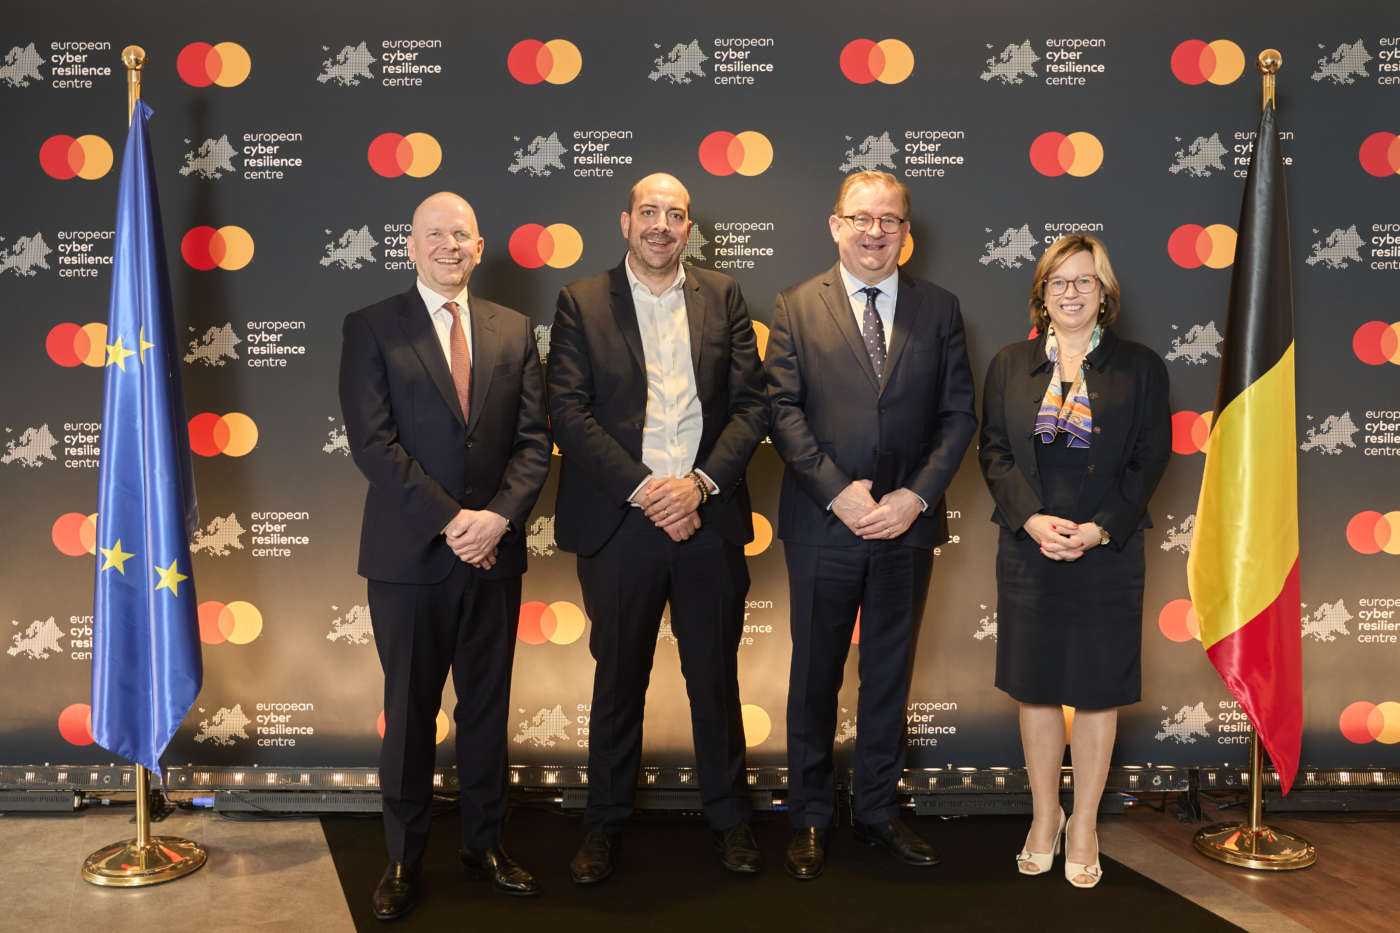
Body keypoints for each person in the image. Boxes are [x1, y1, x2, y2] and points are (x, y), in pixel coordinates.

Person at [547, 172, 769, 883]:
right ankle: (604, 823)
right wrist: (648, 491)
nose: (661, 225)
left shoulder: (723, 295)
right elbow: (568, 413)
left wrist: (697, 486)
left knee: (715, 679)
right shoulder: (582, 300)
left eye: (675, 215)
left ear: (688, 228)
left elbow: (752, 406)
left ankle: (730, 821)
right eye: (649, 211)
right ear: (626, 221)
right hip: (621, 521)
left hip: (708, 515)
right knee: (618, 680)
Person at [339, 192, 551, 919]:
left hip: (494, 554)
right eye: (435, 234)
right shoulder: (372, 326)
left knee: (486, 710)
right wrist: (453, 520)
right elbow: (373, 443)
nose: (449, 245)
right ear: (411, 245)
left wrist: (495, 520)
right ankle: (403, 857)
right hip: (410, 558)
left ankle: (484, 844)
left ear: (480, 246)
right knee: (409, 713)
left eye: (461, 234)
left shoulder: (513, 329)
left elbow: (533, 443)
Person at [765, 170, 977, 880]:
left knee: (888, 673)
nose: (875, 231)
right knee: (814, 675)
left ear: (906, 232)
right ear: (836, 226)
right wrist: (838, 494)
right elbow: (782, 412)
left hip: (906, 526)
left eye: (890, 219)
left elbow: (958, 416)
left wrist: (915, 497)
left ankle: (878, 810)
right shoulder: (795, 306)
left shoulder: (940, 308)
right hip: (823, 524)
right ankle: (809, 815)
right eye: (862, 217)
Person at [977, 234, 1170, 888]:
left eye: (1085, 280)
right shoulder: (1010, 364)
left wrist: (1097, 530)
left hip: (1106, 550)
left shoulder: (1140, 367)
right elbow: (994, 451)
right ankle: (1045, 816)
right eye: (1059, 281)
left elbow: (1149, 458)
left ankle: (1084, 822)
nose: (1071, 292)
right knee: (1034, 686)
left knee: (1097, 689)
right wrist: (1031, 519)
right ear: (1042, 292)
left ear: (1104, 292)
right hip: (1028, 546)